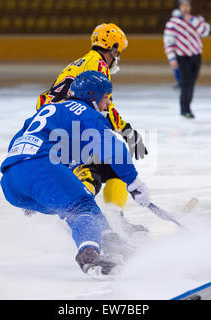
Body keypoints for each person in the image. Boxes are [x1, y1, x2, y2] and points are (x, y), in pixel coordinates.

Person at [0, 71, 151, 277]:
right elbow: (112, 145)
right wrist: (134, 182)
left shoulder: (52, 110)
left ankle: (112, 243)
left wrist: (33, 187)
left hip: (11, 180)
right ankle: (89, 257)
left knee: (80, 206)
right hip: (38, 168)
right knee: (82, 207)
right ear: (92, 96)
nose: (108, 104)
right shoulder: (85, 112)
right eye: (106, 97)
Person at [36, 23, 148, 233]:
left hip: (56, 126)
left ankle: (110, 217)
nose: (118, 56)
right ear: (113, 48)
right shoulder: (98, 65)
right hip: (72, 128)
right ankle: (79, 216)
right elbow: (106, 106)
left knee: (109, 167)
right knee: (94, 170)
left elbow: (46, 99)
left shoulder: (78, 62)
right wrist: (127, 131)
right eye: (118, 51)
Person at [164, 0, 211, 119]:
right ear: (179, 7)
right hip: (182, 57)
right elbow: (168, 42)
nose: (185, 7)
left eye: (187, 5)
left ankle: (187, 107)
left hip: (196, 56)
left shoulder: (198, 19)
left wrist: (192, 20)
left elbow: (204, 32)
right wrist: (172, 58)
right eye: (183, 5)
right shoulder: (173, 23)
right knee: (186, 83)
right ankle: (185, 109)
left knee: (191, 83)